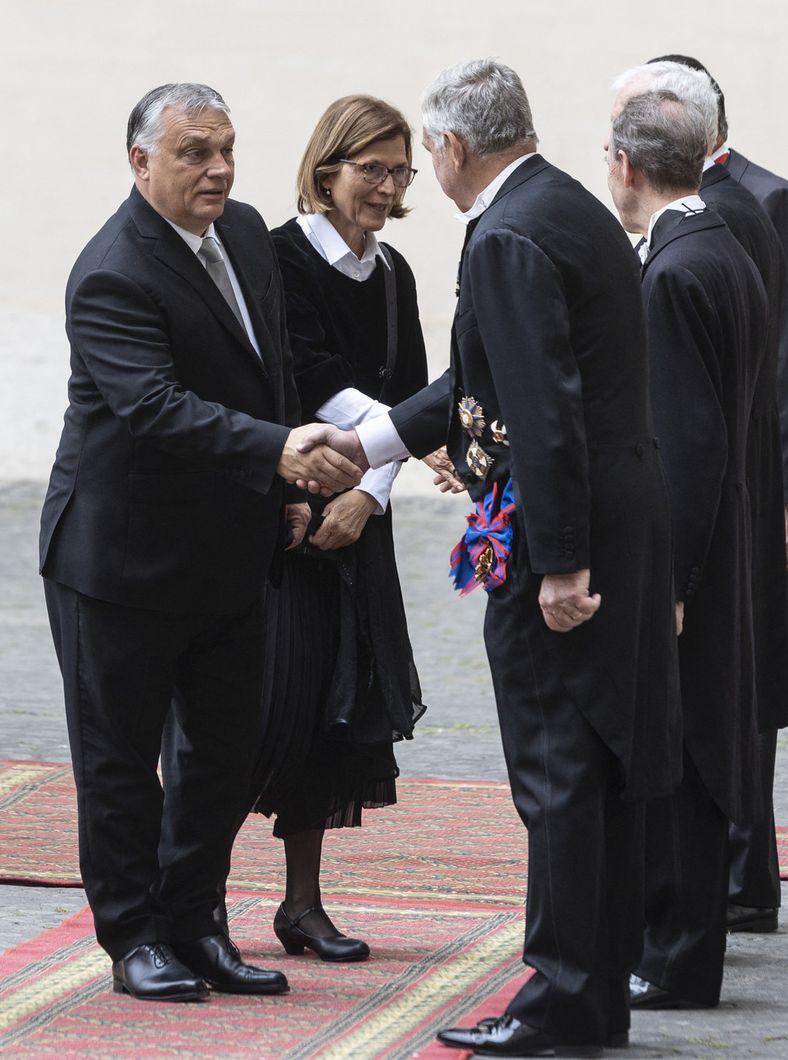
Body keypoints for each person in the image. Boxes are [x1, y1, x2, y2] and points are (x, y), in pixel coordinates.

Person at [341, 60, 681, 1056]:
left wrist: (561, 564)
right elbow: (480, 376)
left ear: (450, 147)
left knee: (558, 766)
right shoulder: (560, 204)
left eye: (424, 157)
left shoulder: (509, 231)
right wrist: (368, 444)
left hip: (553, 530)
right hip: (604, 512)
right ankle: (596, 985)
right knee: (598, 758)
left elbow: (542, 404)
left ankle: (562, 994)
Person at [39, 82, 364, 1003]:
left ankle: (198, 924)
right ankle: (135, 937)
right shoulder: (112, 269)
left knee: (222, 756)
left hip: (230, 548)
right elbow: (153, 408)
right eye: (193, 152)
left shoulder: (250, 231)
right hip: (119, 562)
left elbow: (271, 372)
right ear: (141, 162)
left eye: (225, 148)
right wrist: (281, 453)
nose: (217, 168)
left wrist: (282, 490)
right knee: (120, 764)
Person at [651, 52, 788, 935]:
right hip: (720, 479)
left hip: (759, 482)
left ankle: (743, 874)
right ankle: (740, 873)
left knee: (746, 673)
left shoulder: (768, 201)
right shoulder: (682, 206)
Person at [249, 94, 432, 963]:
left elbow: (421, 395)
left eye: (400, 172)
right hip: (286, 508)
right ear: (328, 170)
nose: (387, 186)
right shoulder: (278, 259)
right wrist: (383, 456)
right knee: (262, 711)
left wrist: (374, 495)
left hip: (361, 512)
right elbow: (313, 378)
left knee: (335, 713)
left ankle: (301, 903)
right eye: (371, 169)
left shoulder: (394, 274)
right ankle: (194, 899)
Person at [605, 84, 769, 1010]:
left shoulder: (673, 270)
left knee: (680, 756)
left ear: (626, 166)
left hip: (689, 555)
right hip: (725, 540)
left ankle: (673, 957)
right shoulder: (720, 248)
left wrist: (668, 580)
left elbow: (687, 441)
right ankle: (680, 950)